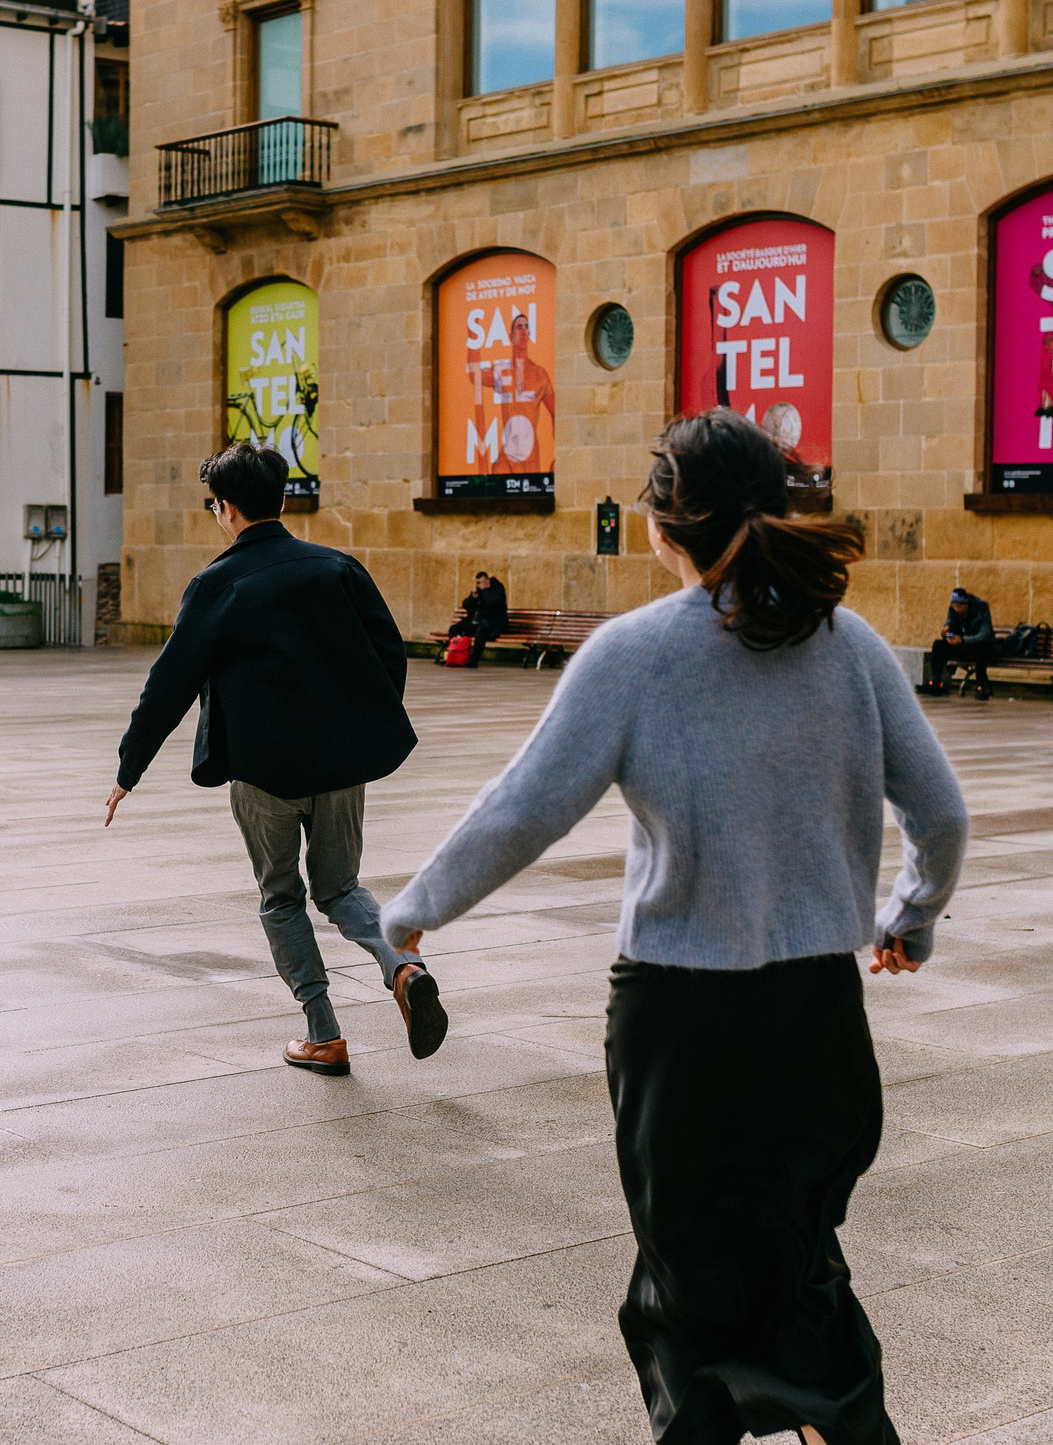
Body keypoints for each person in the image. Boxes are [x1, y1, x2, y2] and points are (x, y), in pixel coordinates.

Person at [380, 408, 968, 1445]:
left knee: (683, 1260)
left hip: (679, 1016)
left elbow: (524, 809)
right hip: (814, 1005)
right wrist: (909, 919)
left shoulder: (633, 653)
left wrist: (415, 909)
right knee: (800, 1253)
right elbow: (940, 810)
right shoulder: (851, 644)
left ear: (662, 525)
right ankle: (835, 1420)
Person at [105, 441, 450, 1076]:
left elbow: (170, 682)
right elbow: (388, 654)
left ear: (225, 509)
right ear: (283, 500)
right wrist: (358, 723)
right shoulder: (337, 568)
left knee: (281, 896)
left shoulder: (216, 585)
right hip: (340, 765)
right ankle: (403, 966)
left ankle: (324, 1034)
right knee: (341, 887)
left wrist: (130, 769)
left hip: (263, 769)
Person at [919, 586, 995, 700]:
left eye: (958, 606)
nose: (956, 609)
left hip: (976, 644)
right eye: (954, 606)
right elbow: (949, 623)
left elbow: (984, 635)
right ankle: (935, 681)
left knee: (982, 648)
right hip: (960, 645)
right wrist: (946, 632)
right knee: (938, 645)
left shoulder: (981, 609)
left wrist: (963, 640)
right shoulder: (953, 611)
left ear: (966, 605)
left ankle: (980, 685)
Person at [443, 570, 508, 666]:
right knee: (454, 629)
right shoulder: (479, 592)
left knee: (480, 631)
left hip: (493, 625)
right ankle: (453, 656)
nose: (478, 585)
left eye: (479, 582)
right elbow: (466, 605)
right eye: (477, 583)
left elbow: (494, 604)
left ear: (487, 581)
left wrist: (484, 592)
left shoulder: (497, 590)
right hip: (476, 623)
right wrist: (473, 597)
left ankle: (473, 660)